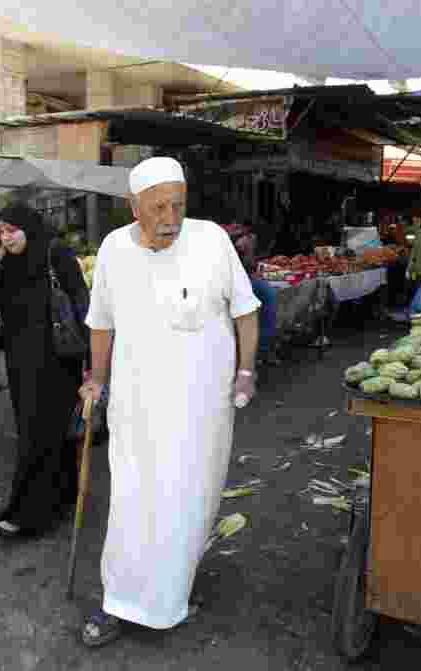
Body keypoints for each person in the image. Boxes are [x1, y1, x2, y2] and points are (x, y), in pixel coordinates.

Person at [77, 156, 260, 647]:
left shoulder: (211, 240)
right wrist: (97, 378)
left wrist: (246, 371)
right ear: (133, 207)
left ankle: (173, 594)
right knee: (133, 503)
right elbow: (102, 323)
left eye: (178, 205)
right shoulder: (115, 250)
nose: (170, 218)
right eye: (158, 207)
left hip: (203, 410)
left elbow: (245, 311)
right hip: (138, 406)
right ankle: (119, 601)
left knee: (190, 502)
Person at [0, 202, 89, 538]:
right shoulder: (7, 264)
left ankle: (30, 514)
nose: (6, 237)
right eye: (1, 230)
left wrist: (91, 363)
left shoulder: (57, 255)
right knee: (49, 435)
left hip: (57, 361)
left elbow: (82, 303)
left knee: (37, 437)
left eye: (12, 229)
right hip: (21, 363)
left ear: (29, 226)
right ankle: (64, 496)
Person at [231, 224, 279, 366]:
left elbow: (250, 264)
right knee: (268, 295)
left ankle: (263, 348)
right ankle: (261, 348)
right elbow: (241, 264)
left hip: (247, 280)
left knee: (268, 296)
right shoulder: (241, 242)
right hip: (239, 281)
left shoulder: (246, 241)